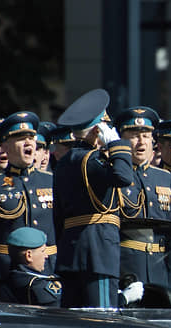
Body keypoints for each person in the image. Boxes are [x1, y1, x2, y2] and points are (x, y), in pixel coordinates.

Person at [52, 88, 137, 308]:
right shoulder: (92, 160)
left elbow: (58, 215)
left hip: (71, 252)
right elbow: (124, 176)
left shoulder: (64, 162)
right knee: (101, 321)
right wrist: (117, 146)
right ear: (98, 131)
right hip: (97, 254)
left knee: (74, 323)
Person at [0, 112, 57, 270]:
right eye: (20, 138)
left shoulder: (51, 180)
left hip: (48, 268)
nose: (28, 143)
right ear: (5, 146)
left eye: (31, 138)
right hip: (7, 271)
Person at [114, 106, 171, 287]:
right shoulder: (115, 175)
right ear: (122, 140)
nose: (141, 142)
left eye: (146, 136)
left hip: (160, 269)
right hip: (127, 268)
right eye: (134, 136)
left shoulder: (165, 177)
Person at [6, 227, 62, 306]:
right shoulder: (37, 287)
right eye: (42, 251)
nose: (46, 256)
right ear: (29, 255)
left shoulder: (10, 276)